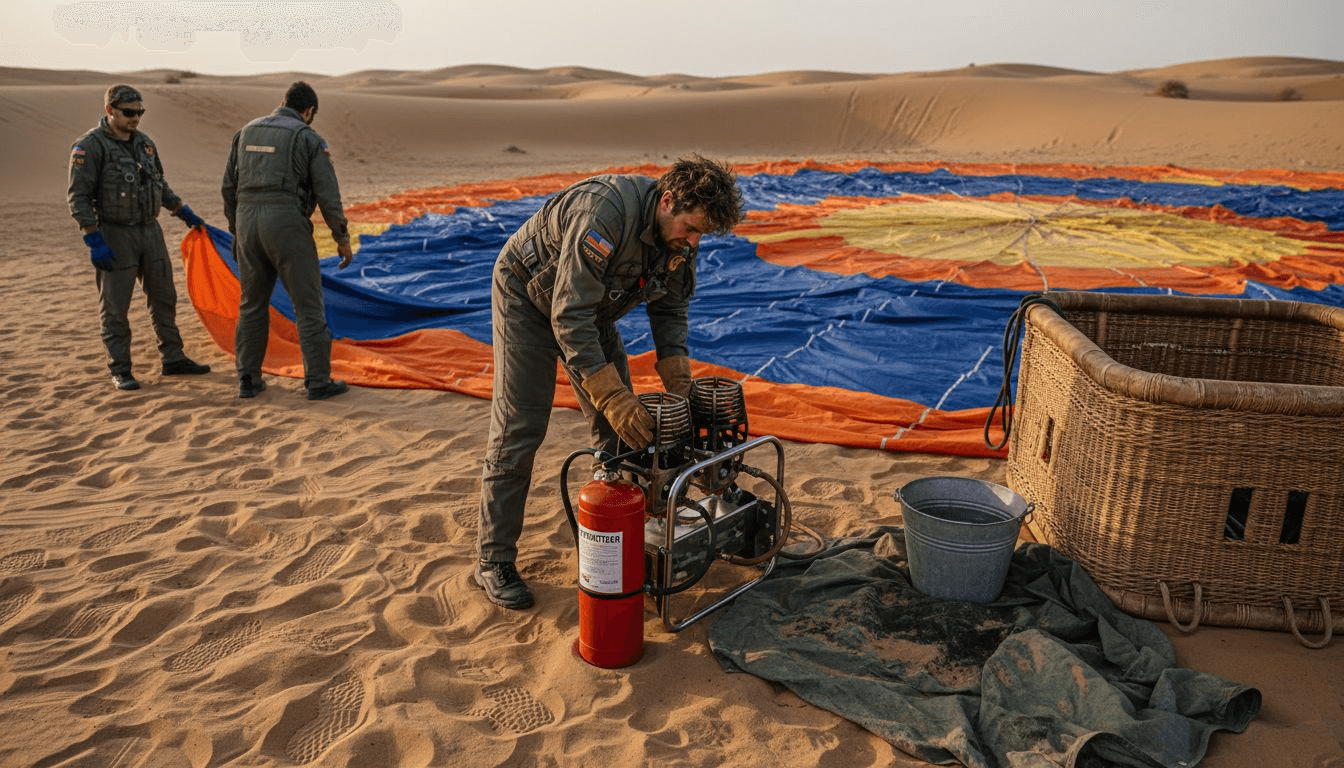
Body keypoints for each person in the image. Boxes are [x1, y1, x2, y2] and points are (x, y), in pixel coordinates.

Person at [475, 156, 745, 609]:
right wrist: (613, 396)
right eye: (691, 229)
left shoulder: (681, 237)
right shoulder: (604, 213)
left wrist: (680, 385)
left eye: (702, 234)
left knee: (621, 435)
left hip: (590, 309)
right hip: (528, 296)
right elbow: (568, 317)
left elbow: (670, 310)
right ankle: (493, 560)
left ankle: (613, 536)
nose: (694, 241)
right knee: (521, 427)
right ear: (667, 201)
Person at [67, 83, 212, 391]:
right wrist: (93, 238)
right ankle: (120, 368)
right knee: (115, 307)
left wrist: (183, 212)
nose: (135, 118)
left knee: (164, 298)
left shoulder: (145, 143)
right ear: (110, 110)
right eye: (128, 112)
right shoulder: (90, 147)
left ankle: (173, 358)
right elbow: (78, 197)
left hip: (150, 231)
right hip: (115, 235)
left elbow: (159, 184)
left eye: (140, 112)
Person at [221, 81, 352, 401]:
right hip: (287, 224)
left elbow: (228, 188)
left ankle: (248, 379)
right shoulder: (308, 138)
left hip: (247, 222)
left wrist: (237, 231)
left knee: (252, 304)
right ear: (309, 111)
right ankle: (318, 381)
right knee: (308, 306)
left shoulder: (245, 132)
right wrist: (341, 237)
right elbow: (328, 195)